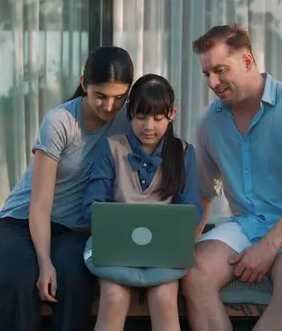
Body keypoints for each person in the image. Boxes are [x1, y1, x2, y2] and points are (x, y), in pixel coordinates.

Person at [182, 24, 282, 331]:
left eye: (220, 70)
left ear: (248, 61)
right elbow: (203, 191)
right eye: (206, 74)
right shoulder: (208, 122)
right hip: (245, 225)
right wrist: (185, 243)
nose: (212, 82)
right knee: (194, 272)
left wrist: (269, 247)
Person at [0, 46, 134, 331]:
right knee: (17, 281)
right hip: (21, 224)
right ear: (83, 84)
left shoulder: (127, 120)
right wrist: (44, 263)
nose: (109, 107)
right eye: (100, 96)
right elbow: (39, 205)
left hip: (74, 232)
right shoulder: (60, 122)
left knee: (75, 279)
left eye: (119, 97)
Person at [82, 73, 203, 331]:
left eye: (158, 118)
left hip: (163, 251)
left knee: (164, 298)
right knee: (113, 297)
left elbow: (191, 207)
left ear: (172, 114)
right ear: (129, 113)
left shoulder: (182, 152)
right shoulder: (111, 148)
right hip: (116, 248)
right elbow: (93, 203)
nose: (149, 126)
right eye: (140, 116)